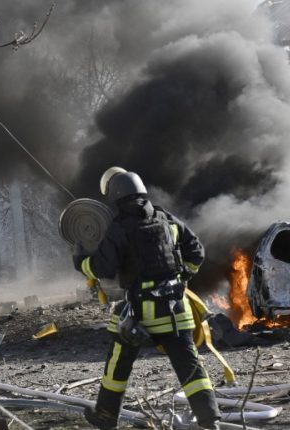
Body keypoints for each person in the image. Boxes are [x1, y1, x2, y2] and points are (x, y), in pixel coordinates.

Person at [74, 168, 220, 430]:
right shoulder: (167, 219)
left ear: (117, 196)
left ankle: (106, 416)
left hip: (141, 314)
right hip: (177, 310)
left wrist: (81, 260)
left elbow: (102, 268)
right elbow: (196, 251)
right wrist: (184, 274)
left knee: (118, 362)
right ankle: (210, 421)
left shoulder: (119, 228)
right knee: (191, 368)